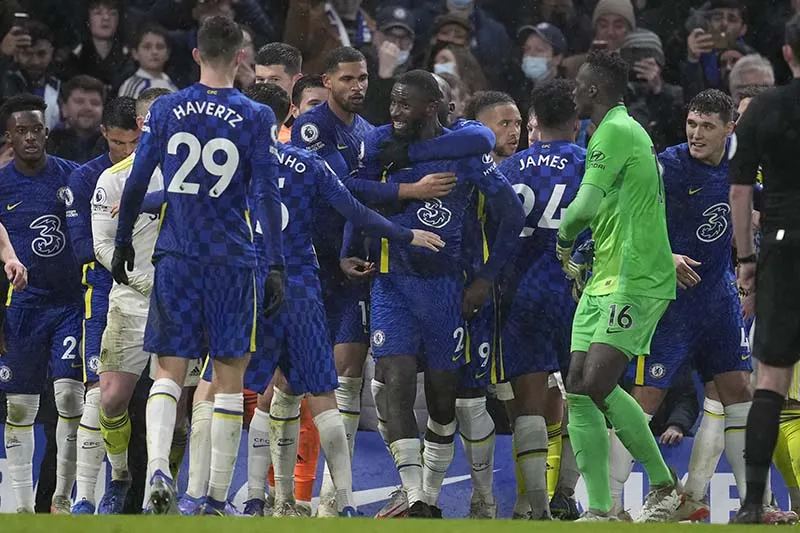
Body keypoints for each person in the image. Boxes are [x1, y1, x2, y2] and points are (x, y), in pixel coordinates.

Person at [239, 82, 443, 518]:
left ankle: (254, 497)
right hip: (303, 289)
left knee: (260, 389)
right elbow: (356, 209)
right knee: (323, 396)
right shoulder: (306, 163)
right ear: (287, 116)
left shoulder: (234, 165)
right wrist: (408, 233)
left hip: (250, 287)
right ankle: (345, 503)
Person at [110, 15, 284, 516]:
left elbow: (139, 178)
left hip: (178, 254)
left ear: (195, 55)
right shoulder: (254, 116)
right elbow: (268, 195)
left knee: (167, 369)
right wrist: (274, 264)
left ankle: (158, 469)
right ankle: (211, 497)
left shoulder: (165, 107)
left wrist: (125, 240)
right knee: (230, 375)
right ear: (240, 58)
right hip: (232, 257)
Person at [610, 89, 793, 524]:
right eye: (692, 124)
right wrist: (664, 257)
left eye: (707, 126)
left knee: (739, 397)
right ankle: (608, 505)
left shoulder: (741, 168)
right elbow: (621, 219)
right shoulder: (667, 167)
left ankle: (757, 504)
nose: (696, 134)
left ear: (729, 129)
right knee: (644, 401)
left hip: (718, 302)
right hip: (667, 305)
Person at [363, 69, 523, 518]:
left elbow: (511, 214)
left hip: (449, 288)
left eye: (404, 104)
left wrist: (486, 278)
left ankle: (458, 497)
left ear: (432, 106)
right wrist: (406, 190)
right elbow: (352, 191)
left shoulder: (465, 148)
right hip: (392, 281)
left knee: (447, 399)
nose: (394, 113)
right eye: (391, 103)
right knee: (393, 381)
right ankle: (415, 496)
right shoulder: (379, 145)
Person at [555, 49, 680, 522]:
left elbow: (583, 207)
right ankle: (603, 510)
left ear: (593, 90)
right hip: (606, 275)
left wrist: (564, 241)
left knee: (597, 379)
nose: (571, 90)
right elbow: (608, 209)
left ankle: (667, 486)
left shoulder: (615, 130)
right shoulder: (608, 132)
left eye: (577, 83)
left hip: (635, 276)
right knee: (578, 386)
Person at [497, 78, 585, 521]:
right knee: (585, 397)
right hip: (578, 294)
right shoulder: (592, 166)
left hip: (523, 294)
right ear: (576, 122)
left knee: (528, 403)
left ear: (534, 122)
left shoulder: (511, 170)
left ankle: (532, 508)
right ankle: (566, 492)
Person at [729, 12, 800, 524]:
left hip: (782, 244)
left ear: (788, 54)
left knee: (771, 379)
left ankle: (753, 503)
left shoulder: (764, 110)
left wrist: (746, 260)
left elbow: (737, 191)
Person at [0, 94, 85, 514]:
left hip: (70, 304)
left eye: (36, 129)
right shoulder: (1, 185)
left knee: (70, 399)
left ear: (46, 132)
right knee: (19, 406)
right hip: (22, 309)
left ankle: (62, 499)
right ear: (9, 136)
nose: (30, 137)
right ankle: (20, 508)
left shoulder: (73, 177)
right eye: (21, 131)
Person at [66, 95, 141, 515]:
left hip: (162, 298)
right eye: (117, 143)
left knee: (172, 405)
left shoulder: (160, 173)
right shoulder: (87, 178)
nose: (126, 153)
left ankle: (154, 494)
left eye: (133, 143)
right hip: (106, 295)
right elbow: (83, 249)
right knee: (99, 397)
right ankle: (91, 496)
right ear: (103, 135)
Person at [0, 20, 62, 129]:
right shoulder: (4, 80)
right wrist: (2, 55)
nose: (35, 61)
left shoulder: (62, 84)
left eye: (41, 54)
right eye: (27, 54)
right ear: (16, 53)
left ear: (52, 52)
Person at [47, 75, 107, 164]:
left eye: (95, 103)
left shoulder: (112, 145)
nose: (88, 108)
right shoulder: (49, 144)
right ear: (64, 108)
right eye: (79, 101)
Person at [253, 42, 303, 142]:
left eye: (275, 79)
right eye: (260, 79)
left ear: (297, 80)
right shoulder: (242, 118)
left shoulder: (309, 128)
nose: (265, 86)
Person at [117, 24, 178, 99]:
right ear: (135, 53)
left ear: (168, 54)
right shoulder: (132, 86)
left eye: (160, 47)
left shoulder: (171, 84)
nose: (154, 52)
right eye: (147, 47)